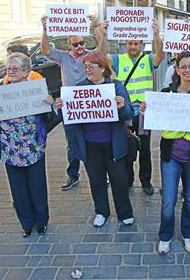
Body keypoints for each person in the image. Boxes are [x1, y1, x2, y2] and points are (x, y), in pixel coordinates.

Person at [140, 51, 190, 254]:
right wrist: (147, 111)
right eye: (183, 66)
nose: (187, 70)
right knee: (169, 199)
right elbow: (155, 119)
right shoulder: (166, 92)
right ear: (177, 69)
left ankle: (188, 234)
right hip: (170, 154)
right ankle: (165, 236)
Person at [57, 51, 134, 227]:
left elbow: (129, 113)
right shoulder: (78, 88)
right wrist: (62, 108)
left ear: (103, 68)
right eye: (85, 67)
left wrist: (122, 107)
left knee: (119, 180)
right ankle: (101, 211)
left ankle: (125, 212)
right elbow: (67, 118)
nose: (88, 69)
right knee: (96, 180)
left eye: (91, 66)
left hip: (114, 144)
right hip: (90, 145)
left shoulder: (116, 86)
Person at [0, 53, 53, 237]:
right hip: (10, 147)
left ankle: (41, 222)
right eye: (8, 69)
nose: (11, 72)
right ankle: (26, 223)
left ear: (26, 71)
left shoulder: (36, 90)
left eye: (15, 69)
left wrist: (50, 104)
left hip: (33, 146)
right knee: (18, 188)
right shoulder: (0, 91)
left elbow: (50, 118)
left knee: (37, 185)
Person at [41, 16, 107, 191]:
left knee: (94, 139)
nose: (80, 47)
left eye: (82, 43)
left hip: (90, 105)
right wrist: (45, 30)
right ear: (69, 46)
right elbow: (46, 50)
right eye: (75, 44)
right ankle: (73, 175)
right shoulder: (63, 57)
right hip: (70, 107)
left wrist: (95, 29)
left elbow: (102, 50)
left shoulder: (90, 55)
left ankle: (100, 173)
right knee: (72, 143)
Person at [98, 19, 162, 195]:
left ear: (142, 44)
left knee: (145, 150)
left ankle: (146, 181)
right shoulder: (118, 59)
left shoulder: (147, 59)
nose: (132, 46)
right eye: (130, 43)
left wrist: (156, 34)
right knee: (126, 148)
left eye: (136, 43)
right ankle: (128, 179)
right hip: (125, 112)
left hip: (143, 112)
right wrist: (103, 36)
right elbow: (102, 57)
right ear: (125, 44)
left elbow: (160, 55)